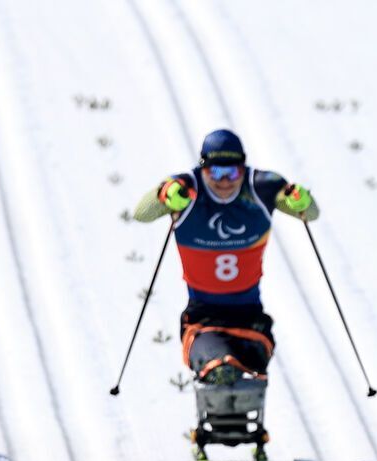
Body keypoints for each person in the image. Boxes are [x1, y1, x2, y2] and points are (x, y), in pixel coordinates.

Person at [132, 127, 319, 388]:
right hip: (202, 315)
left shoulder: (261, 187)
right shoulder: (188, 189)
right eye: (215, 172)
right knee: (218, 371)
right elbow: (142, 214)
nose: (224, 181)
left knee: (249, 381)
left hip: (249, 313)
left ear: (243, 168)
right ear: (203, 168)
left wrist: (301, 200)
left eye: (232, 172)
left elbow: (309, 213)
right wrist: (163, 194)